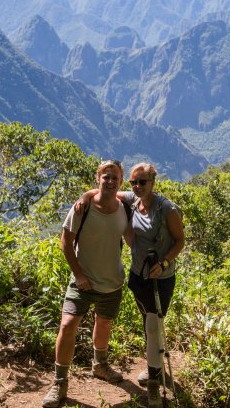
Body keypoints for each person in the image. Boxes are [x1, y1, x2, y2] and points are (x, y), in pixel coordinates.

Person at [77, 162, 185, 407]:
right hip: (138, 276)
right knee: (148, 324)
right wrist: (86, 195)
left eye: (142, 182)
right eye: (134, 182)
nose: (137, 186)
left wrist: (165, 263)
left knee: (154, 324)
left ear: (153, 183)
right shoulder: (133, 199)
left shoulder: (166, 208)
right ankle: (154, 367)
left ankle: (155, 379)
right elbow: (105, 190)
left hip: (161, 278)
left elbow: (180, 241)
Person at [42, 160, 131, 408]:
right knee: (68, 324)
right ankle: (59, 382)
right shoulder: (83, 207)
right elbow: (66, 242)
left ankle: (100, 365)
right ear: (98, 179)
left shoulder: (125, 206)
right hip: (81, 282)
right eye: (106, 177)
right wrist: (79, 274)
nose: (110, 181)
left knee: (104, 322)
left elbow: (132, 237)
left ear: (121, 182)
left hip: (112, 280)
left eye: (115, 178)